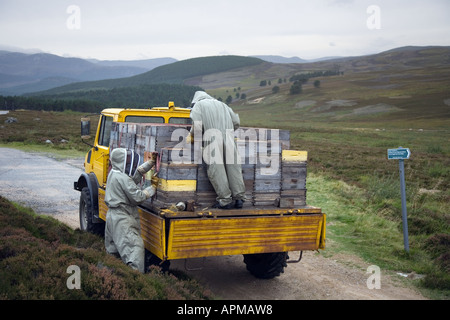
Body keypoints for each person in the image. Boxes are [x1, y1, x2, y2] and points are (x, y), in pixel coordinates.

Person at [187, 91, 246, 209]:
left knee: (216, 169)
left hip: (212, 139)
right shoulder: (223, 105)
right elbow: (236, 122)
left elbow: (197, 126)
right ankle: (239, 199)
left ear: (195, 100)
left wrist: (192, 135)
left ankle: (225, 200)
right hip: (229, 138)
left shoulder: (199, 106)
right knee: (233, 168)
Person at [104, 148, 157, 273]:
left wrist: (150, 163)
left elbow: (134, 178)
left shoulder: (114, 173)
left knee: (113, 254)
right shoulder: (122, 178)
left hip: (112, 216)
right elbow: (137, 197)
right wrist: (152, 188)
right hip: (122, 218)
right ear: (121, 160)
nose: (129, 161)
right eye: (127, 159)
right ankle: (135, 283)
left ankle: (109, 279)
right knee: (135, 250)